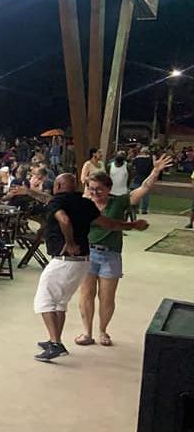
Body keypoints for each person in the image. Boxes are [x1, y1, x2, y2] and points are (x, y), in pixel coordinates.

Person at [31, 173, 148, 362]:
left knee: (43, 301)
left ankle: (54, 344)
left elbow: (64, 220)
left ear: (59, 185)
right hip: (84, 261)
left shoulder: (58, 202)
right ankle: (56, 340)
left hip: (64, 260)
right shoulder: (86, 204)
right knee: (60, 302)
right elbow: (109, 224)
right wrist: (133, 225)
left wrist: (69, 242)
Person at [76, 156, 172, 347]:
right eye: (91, 188)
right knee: (86, 294)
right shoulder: (84, 204)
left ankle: (103, 330)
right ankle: (87, 332)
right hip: (87, 254)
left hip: (110, 255)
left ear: (108, 189)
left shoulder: (119, 203)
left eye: (99, 189)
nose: (94, 193)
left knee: (106, 297)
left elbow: (143, 189)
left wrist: (155, 171)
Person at [131, 147, 154, 214]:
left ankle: (136, 209)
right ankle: (144, 209)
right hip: (147, 178)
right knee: (146, 195)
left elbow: (133, 167)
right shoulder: (150, 160)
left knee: (137, 193)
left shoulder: (137, 159)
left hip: (137, 177)